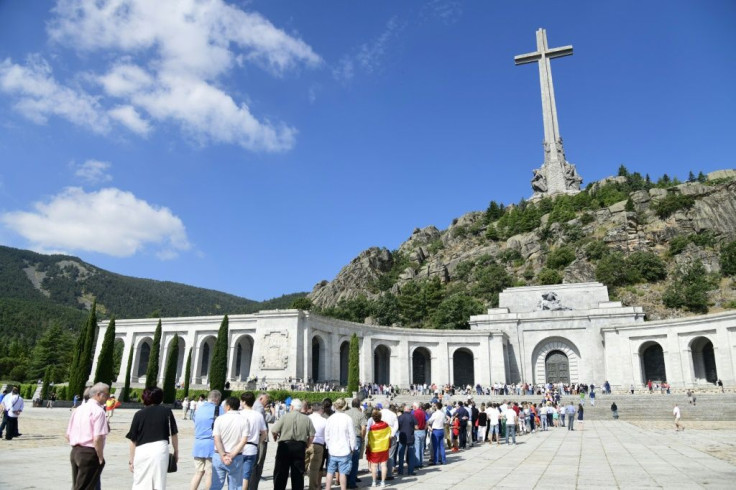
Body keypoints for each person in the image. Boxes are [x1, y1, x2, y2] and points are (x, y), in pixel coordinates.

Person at [126, 386, 179, 490]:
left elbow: (133, 440)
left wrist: (131, 460)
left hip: (142, 450)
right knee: (158, 482)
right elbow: (174, 434)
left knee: (140, 481)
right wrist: (176, 451)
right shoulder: (167, 411)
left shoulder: (139, 414)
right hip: (160, 449)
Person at [66, 382, 110, 490]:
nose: (107, 398)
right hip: (89, 453)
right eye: (107, 395)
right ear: (99, 394)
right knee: (86, 487)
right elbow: (97, 438)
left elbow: (67, 435)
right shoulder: (99, 411)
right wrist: (100, 456)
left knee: (78, 485)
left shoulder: (78, 409)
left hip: (75, 451)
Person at [271, 398, 315, 490]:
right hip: (299, 446)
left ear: (291, 407)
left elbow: (274, 430)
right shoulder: (307, 419)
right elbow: (312, 435)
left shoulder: (285, 417)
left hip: (285, 446)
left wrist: (275, 437)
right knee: (298, 473)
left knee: (281, 472)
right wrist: (307, 444)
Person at [211, 397, 250, 490]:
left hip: (219, 455)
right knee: (235, 486)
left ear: (228, 407)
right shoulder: (244, 420)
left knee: (216, 486)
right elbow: (244, 440)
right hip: (236, 456)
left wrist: (223, 455)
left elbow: (217, 439)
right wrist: (231, 455)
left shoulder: (219, 419)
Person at [191, 390, 221, 490]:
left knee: (198, 472)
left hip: (198, 444)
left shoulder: (199, 409)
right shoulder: (218, 409)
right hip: (210, 445)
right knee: (209, 473)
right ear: (216, 399)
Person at [324, 398, 356, 490]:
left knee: (330, 471)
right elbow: (352, 435)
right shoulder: (348, 418)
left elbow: (327, 435)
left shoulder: (330, 418)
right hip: (344, 449)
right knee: (343, 473)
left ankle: (327, 488)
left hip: (333, 449)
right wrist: (352, 447)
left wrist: (328, 446)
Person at [239, 392, 267, 490]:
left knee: (237, 475)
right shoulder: (258, 415)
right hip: (252, 448)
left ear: (244, 402)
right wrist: (257, 442)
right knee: (246, 476)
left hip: (239, 448)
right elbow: (264, 433)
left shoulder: (239, 414)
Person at [249, 392, 274, 490]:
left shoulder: (255, 405)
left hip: (254, 437)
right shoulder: (259, 407)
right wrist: (273, 412)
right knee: (259, 462)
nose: (267, 402)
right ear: (261, 398)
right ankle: (253, 485)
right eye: (266, 400)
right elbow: (266, 420)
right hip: (260, 438)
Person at [366, 409, 391, 487]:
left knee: (374, 466)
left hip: (375, 448)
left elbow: (369, 438)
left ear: (373, 418)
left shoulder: (372, 428)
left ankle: (374, 482)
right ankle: (383, 482)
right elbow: (389, 434)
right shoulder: (386, 425)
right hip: (384, 447)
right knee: (383, 465)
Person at [346, 397, 367, 489]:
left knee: (347, 460)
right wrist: (362, 437)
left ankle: (346, 480)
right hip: (357, 437)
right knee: (355, 461)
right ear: (359, 405)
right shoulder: (361, 414)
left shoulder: (346, 413)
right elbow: (363, 428)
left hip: (346, 438)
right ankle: (352, 482)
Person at [305, 402, 327, 490]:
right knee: (315, 469)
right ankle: (312, 487)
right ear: (320, 410)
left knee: (302, 466)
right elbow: (326, 435)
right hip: (318, 444)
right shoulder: (324, 420)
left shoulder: (307, 418)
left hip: (306, 443)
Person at [396, 404, 416, 475]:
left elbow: (397, 427)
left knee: (401, 454)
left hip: (402, 436)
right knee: (411, 455)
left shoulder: (400, 417)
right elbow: (416, 427)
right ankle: (410, 471)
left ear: (404, 409)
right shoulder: (412, 416)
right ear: (408, 409)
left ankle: (400, 470)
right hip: (410, 437)